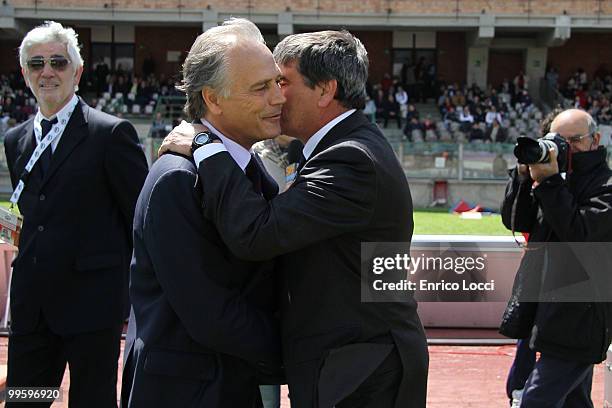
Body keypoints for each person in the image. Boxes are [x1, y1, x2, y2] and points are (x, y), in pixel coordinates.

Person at [162, 28, 428, 408]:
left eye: (283, 81)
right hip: (354, 362)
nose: (275, 95)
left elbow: (257, 233)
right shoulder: (344, 148)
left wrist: (207, 145)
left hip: (360, 368)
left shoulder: (351, 159)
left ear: (324, 90)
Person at [120, 18, 284, 408]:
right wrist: (298, 350)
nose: (278, 98)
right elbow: (210, 313)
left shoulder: (247, 167)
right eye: (261, 88)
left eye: (276, 82)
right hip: (181, 391)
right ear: (212, 99)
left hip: (223, 381)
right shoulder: (177, 179)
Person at [3, 21, 148, 407]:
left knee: (92, 402)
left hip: (92, 308)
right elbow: (29, 212)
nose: (47, 72)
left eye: (58, 62)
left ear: (78, 71)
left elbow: (140, 219)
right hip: (32, 309)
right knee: (25, 402)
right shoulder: (14, 139)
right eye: (36, 64)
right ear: (24, 74)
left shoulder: (111, 134)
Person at [500, 108, 612, 407]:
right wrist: (524, 179)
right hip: (546, 307)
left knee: (536, 400)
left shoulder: (606, 187)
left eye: (574, 141)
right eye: (557, 141)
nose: (565, 149)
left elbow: (579, 233)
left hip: (580, 315)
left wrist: (550, 184)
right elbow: (517, 221)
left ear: (595, 140)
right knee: (574, 400)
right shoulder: (553, 178)